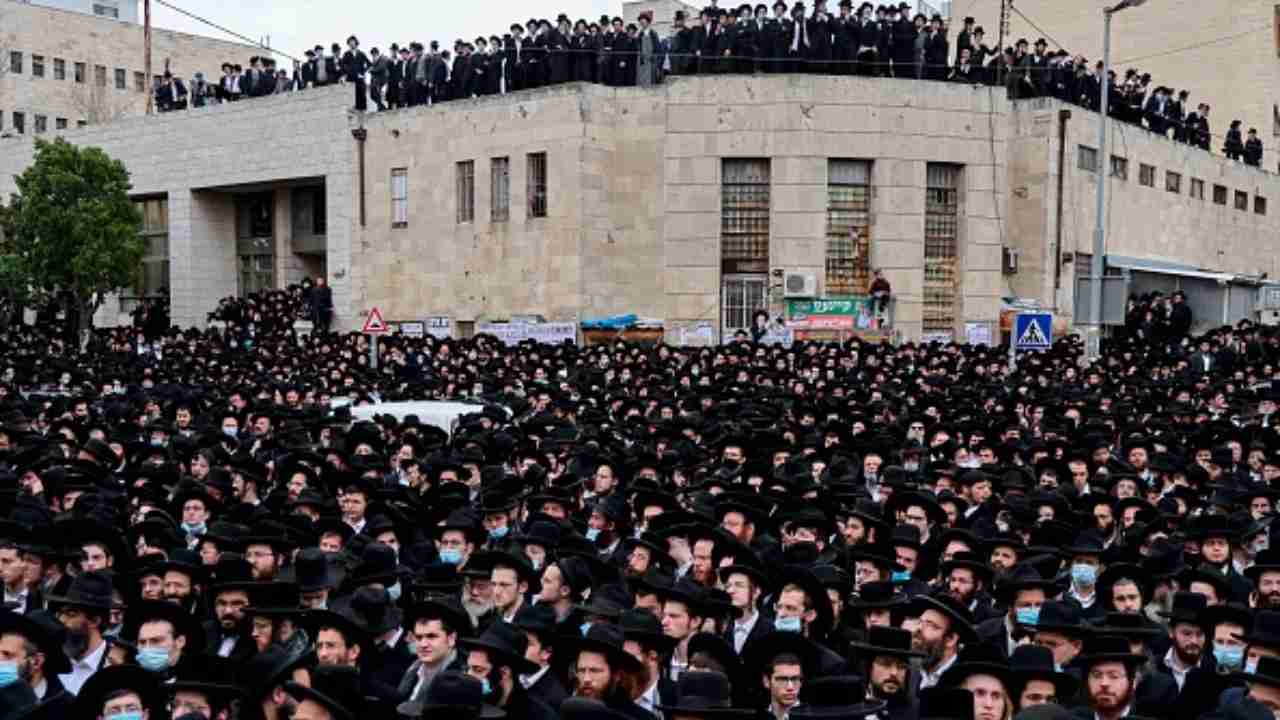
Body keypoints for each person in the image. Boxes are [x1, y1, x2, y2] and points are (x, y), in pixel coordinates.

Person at [342, 36, 371, 112]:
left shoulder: (361, 53)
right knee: (351, 97)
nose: (351, 44)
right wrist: (346, 73)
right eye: (350, 43)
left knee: (361, 97)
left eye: (353, 42)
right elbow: (342, 65)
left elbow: (369, 64)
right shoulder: (346, 54)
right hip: (350, 79)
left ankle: (362, 113)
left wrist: (363, 73)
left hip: (360, 79)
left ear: (356, 43)